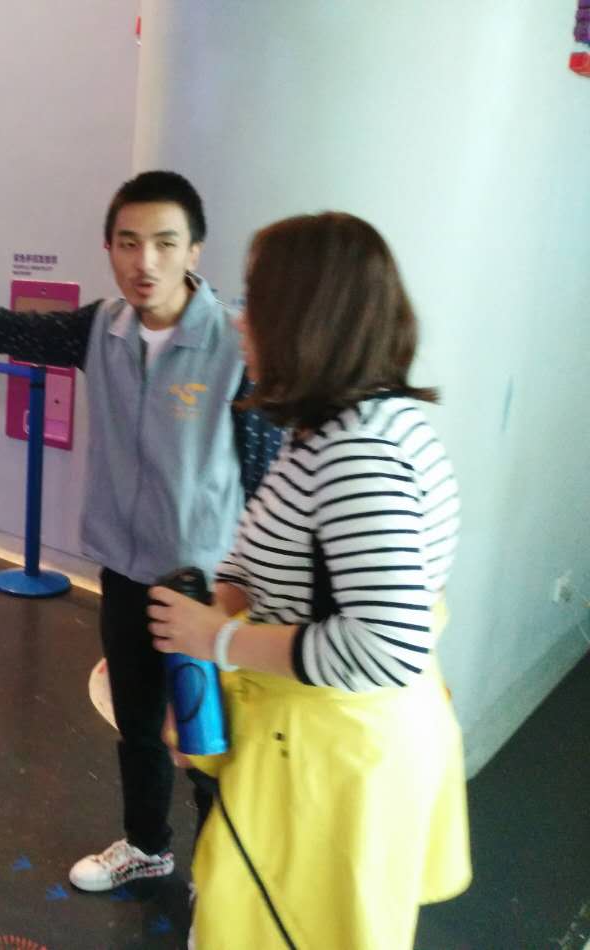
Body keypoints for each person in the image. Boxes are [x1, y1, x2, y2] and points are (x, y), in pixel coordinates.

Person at [0, 171, 281, 892]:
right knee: (137, 723)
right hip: (124, 570)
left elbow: (263, 477)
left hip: (207, 586)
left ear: (195, 251)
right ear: (109, 249)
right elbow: (14, 330)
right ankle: (147, 845)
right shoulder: (102, 328)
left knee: (209, 742)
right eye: (128, 243)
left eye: (165, 243)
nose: (145, 262)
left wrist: (251, 592)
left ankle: (221, 881)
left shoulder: (234, 347)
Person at [147, 212, 470, 948]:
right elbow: (274, 556)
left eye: (255, 301)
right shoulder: (342, 429)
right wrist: (219, 610)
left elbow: (384, 646)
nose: (239, 321)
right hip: (318, 751)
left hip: (326, 769)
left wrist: (216, 641)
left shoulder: (359, 454)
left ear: (306, 318)